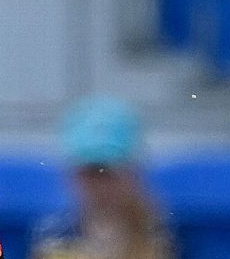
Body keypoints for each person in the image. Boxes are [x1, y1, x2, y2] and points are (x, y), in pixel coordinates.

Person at [30, 96, 175, 259]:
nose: (101, 185)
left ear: (133, 173)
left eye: (109, 174)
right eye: (90, 174)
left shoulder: (163, 236)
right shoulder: (53, 236)